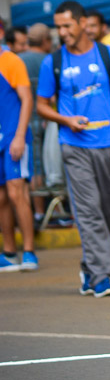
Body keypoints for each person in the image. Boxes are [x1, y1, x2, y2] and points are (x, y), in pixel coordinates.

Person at [36, 0, 110, 296]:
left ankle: (89, 267)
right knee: (88, 212)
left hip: (108, 144)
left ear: (81, 22)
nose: (62, 32)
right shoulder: (53, 61)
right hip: (73, 145)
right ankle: (102, 277)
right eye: (58, 27)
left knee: (106, 212)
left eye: (66, 25)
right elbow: (41, 106)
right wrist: (65, 119)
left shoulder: (108, 54)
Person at [0, 21, 37, 272]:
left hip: (14, 137)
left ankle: (29, 252)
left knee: (16, 194)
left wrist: (20, 136)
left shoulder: (11, 61)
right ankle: (9, 251)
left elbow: (27, 99)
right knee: (1, 198)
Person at [19, 23, 51, 223]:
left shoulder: (18, 60)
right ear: (46, 40)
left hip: (24, 119)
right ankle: (42, 211)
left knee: (33, 163)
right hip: (47, 119)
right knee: (43, 163)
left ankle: (35, 211)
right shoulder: (48, 60)